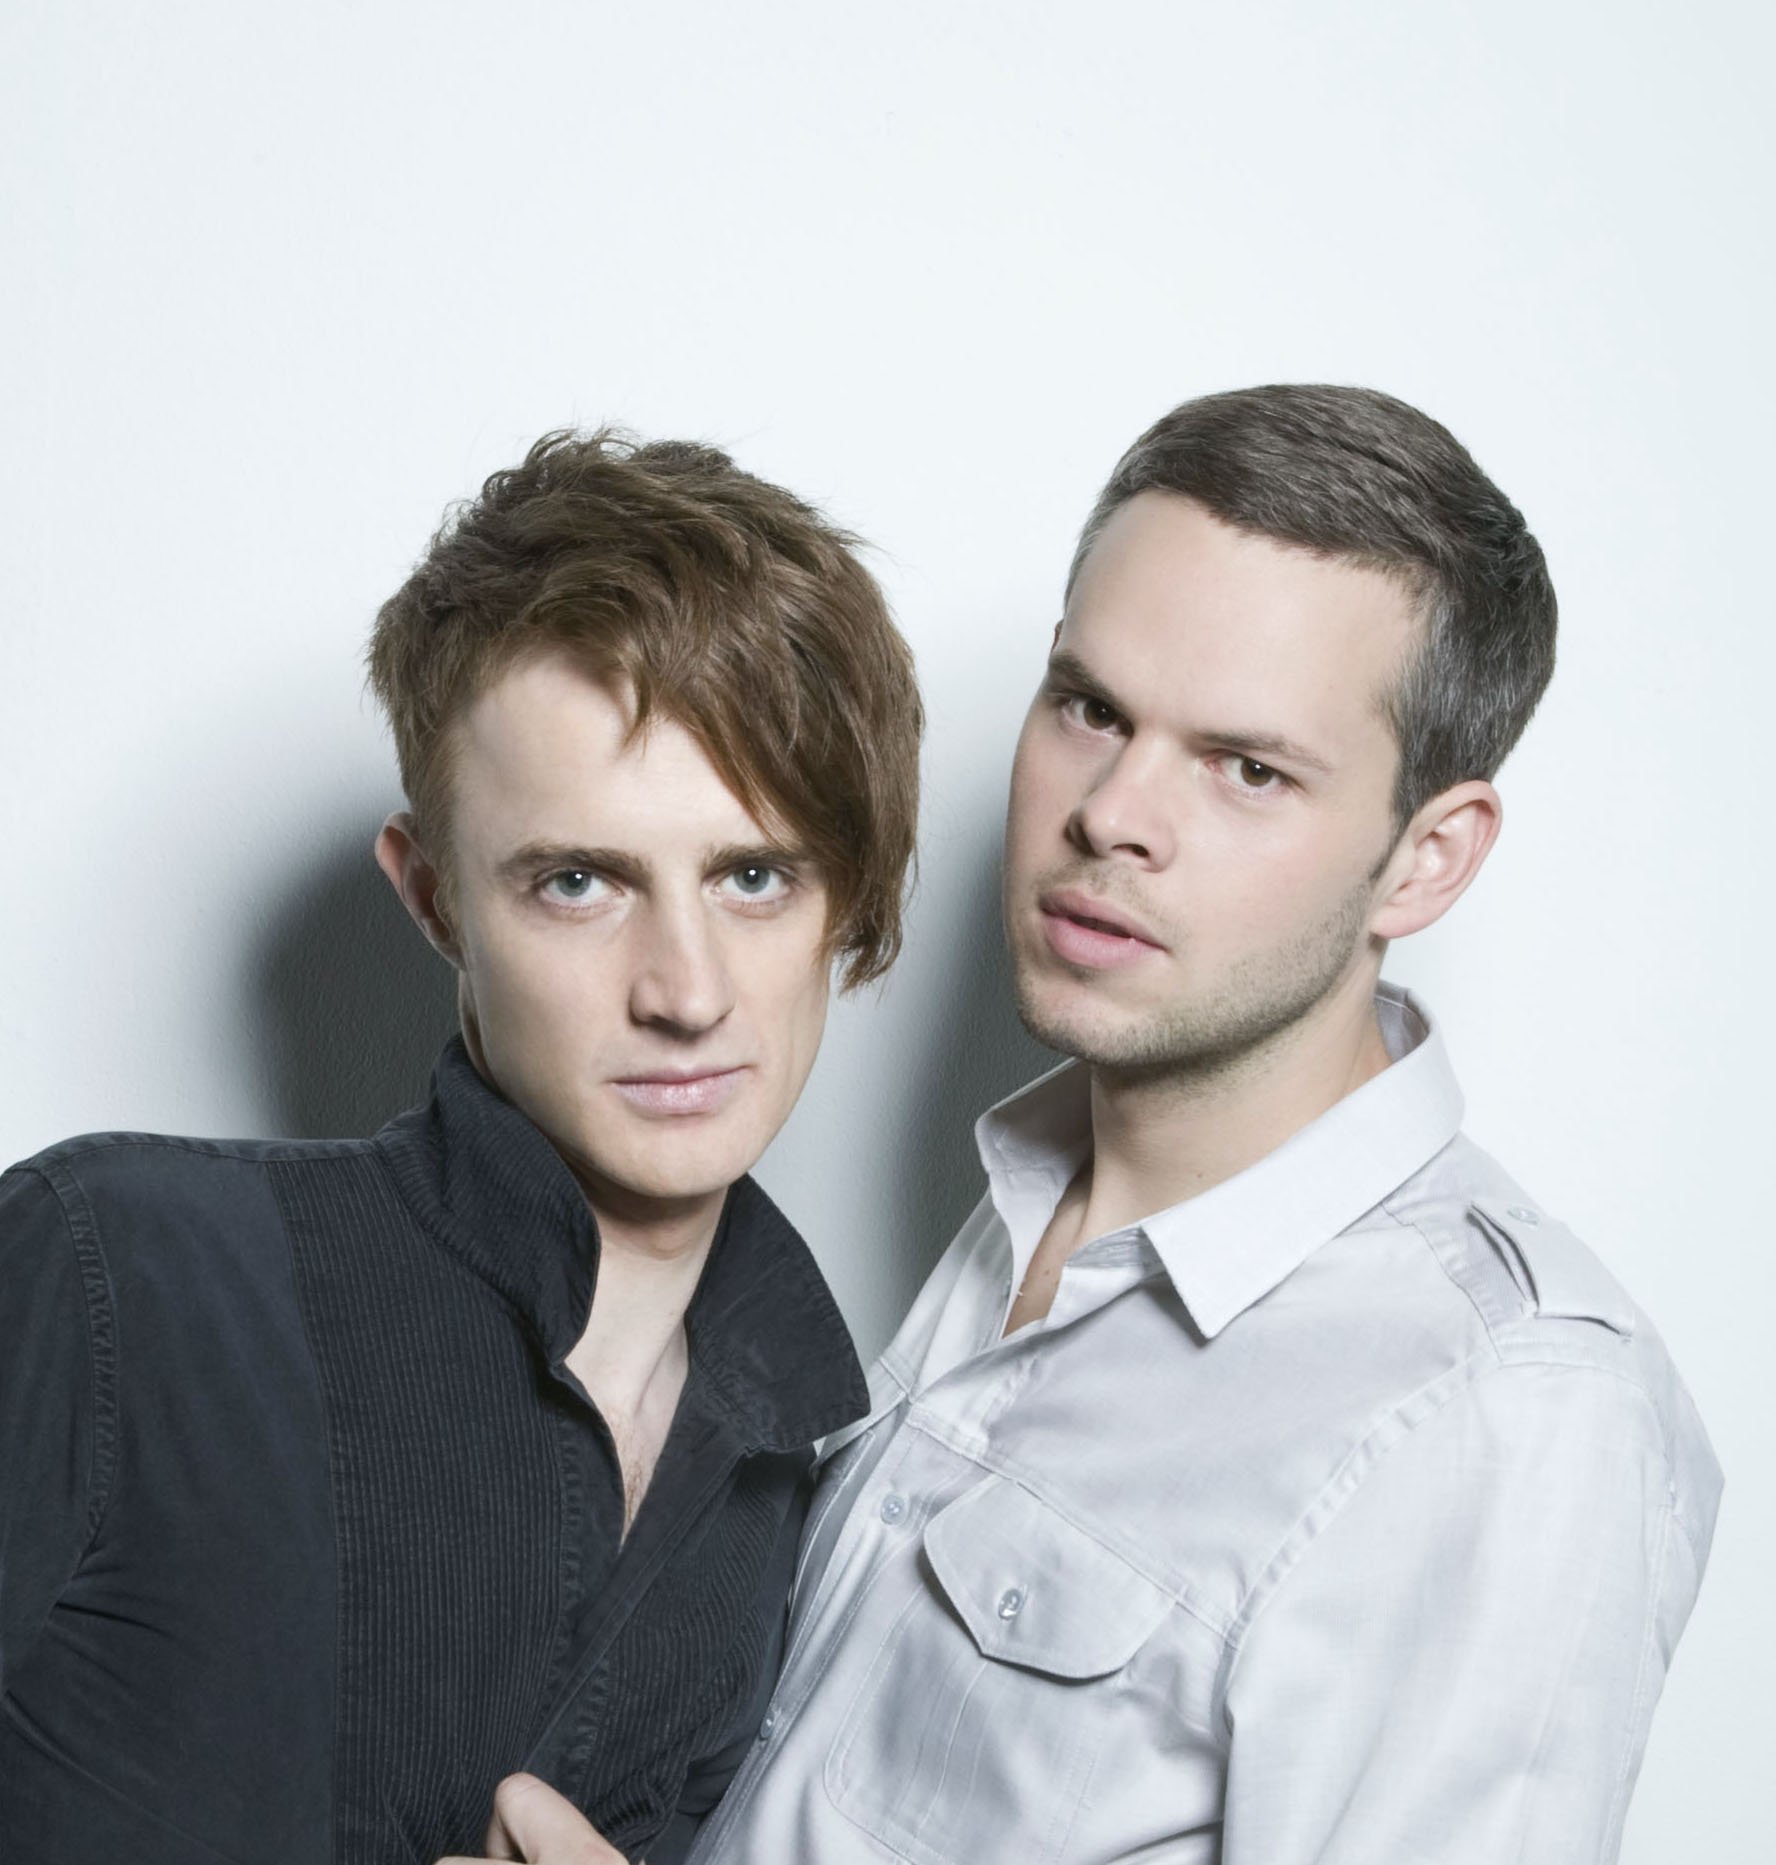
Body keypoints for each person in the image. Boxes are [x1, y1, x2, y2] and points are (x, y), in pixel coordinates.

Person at [470, 386, 1722, 1865]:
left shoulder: (1506, 1412)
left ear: (1426, 860)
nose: (1114, 812)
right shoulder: (1034, 1201)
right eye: (1091, 708)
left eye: (1248, 768)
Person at [0, 430, 922, 1864]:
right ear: (432, 897)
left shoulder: (827, 1484)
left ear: (843, 899)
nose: (686, 991)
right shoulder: (119, 1269)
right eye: (579, 882)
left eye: (753, 875)